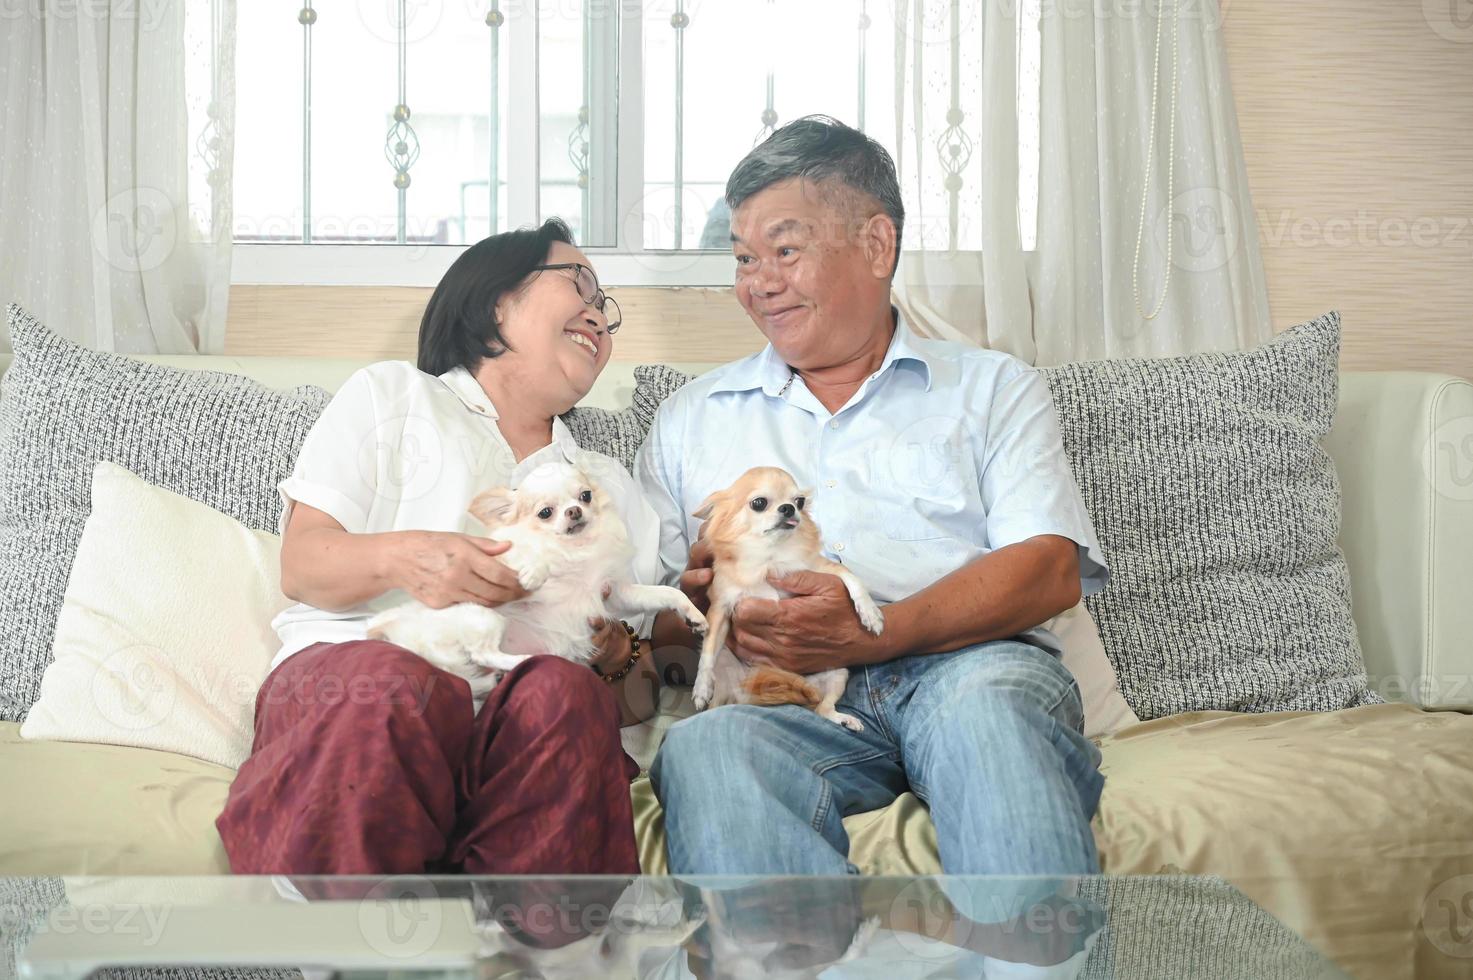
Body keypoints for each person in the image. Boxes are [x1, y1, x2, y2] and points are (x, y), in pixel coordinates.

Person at [636, 116, 1111, 880]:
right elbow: (656, 631)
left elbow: (1046, 567)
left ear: (875, 245)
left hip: (969, 670)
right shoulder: (691, 418)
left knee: (991, 722)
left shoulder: (992, 388)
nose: (757, 283)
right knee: (705, 749)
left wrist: (872, 635)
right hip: (776, 697)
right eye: (744, 258)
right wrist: (686, 605)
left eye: (784, 252)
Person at [217, 218, 656, 875]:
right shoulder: (392, 396)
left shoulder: (607, 485)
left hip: (520, 711)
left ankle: (539, 955)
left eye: (604, 308)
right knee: (389, 682)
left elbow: (637, 701)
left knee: (567, 696)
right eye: (579, 286)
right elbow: (303, 565)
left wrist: (614, 651)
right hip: (364, 676)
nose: (598, 315)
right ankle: (356, 947)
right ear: (493, 304)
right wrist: (410, 557)